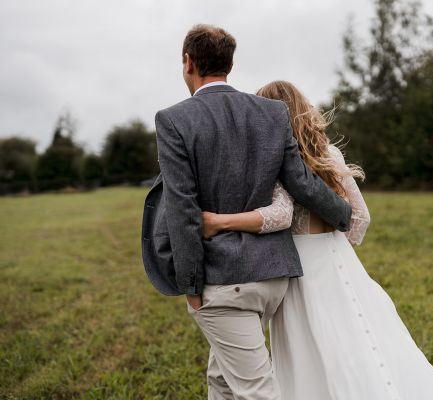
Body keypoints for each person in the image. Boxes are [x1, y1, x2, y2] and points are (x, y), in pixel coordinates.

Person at [201, 81, 433, 400]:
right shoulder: (329, 153)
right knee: (356, 338)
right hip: (338, 259)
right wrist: (335, 248)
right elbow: (360, 218)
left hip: (297, 266)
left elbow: (281, 216)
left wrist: (220, 222)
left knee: (309, 347)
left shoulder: (274, 161)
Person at [141, 25, 353, 400]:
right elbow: (301, 182)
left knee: (256, 392)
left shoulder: (173, 120)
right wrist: (343, 215)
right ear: (230, 64)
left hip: (224, 284)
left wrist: (191, 286)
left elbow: (182, 206)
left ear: (188, 62)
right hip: (273, 278)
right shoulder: (272, 113)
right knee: (221, 380)